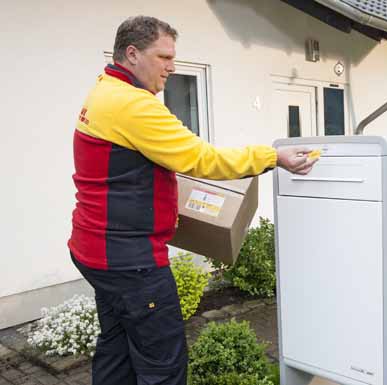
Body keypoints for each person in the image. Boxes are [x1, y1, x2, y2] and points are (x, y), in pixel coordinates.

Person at [68, 15, 316, 385]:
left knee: (116, 351)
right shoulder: (133, 105)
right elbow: (201, 159)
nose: (172, 67)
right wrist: (272, 156)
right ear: (132, 54)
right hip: (130, 261)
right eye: (164, 57)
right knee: (162, 366)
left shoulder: (103, 90)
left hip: (96, 251)